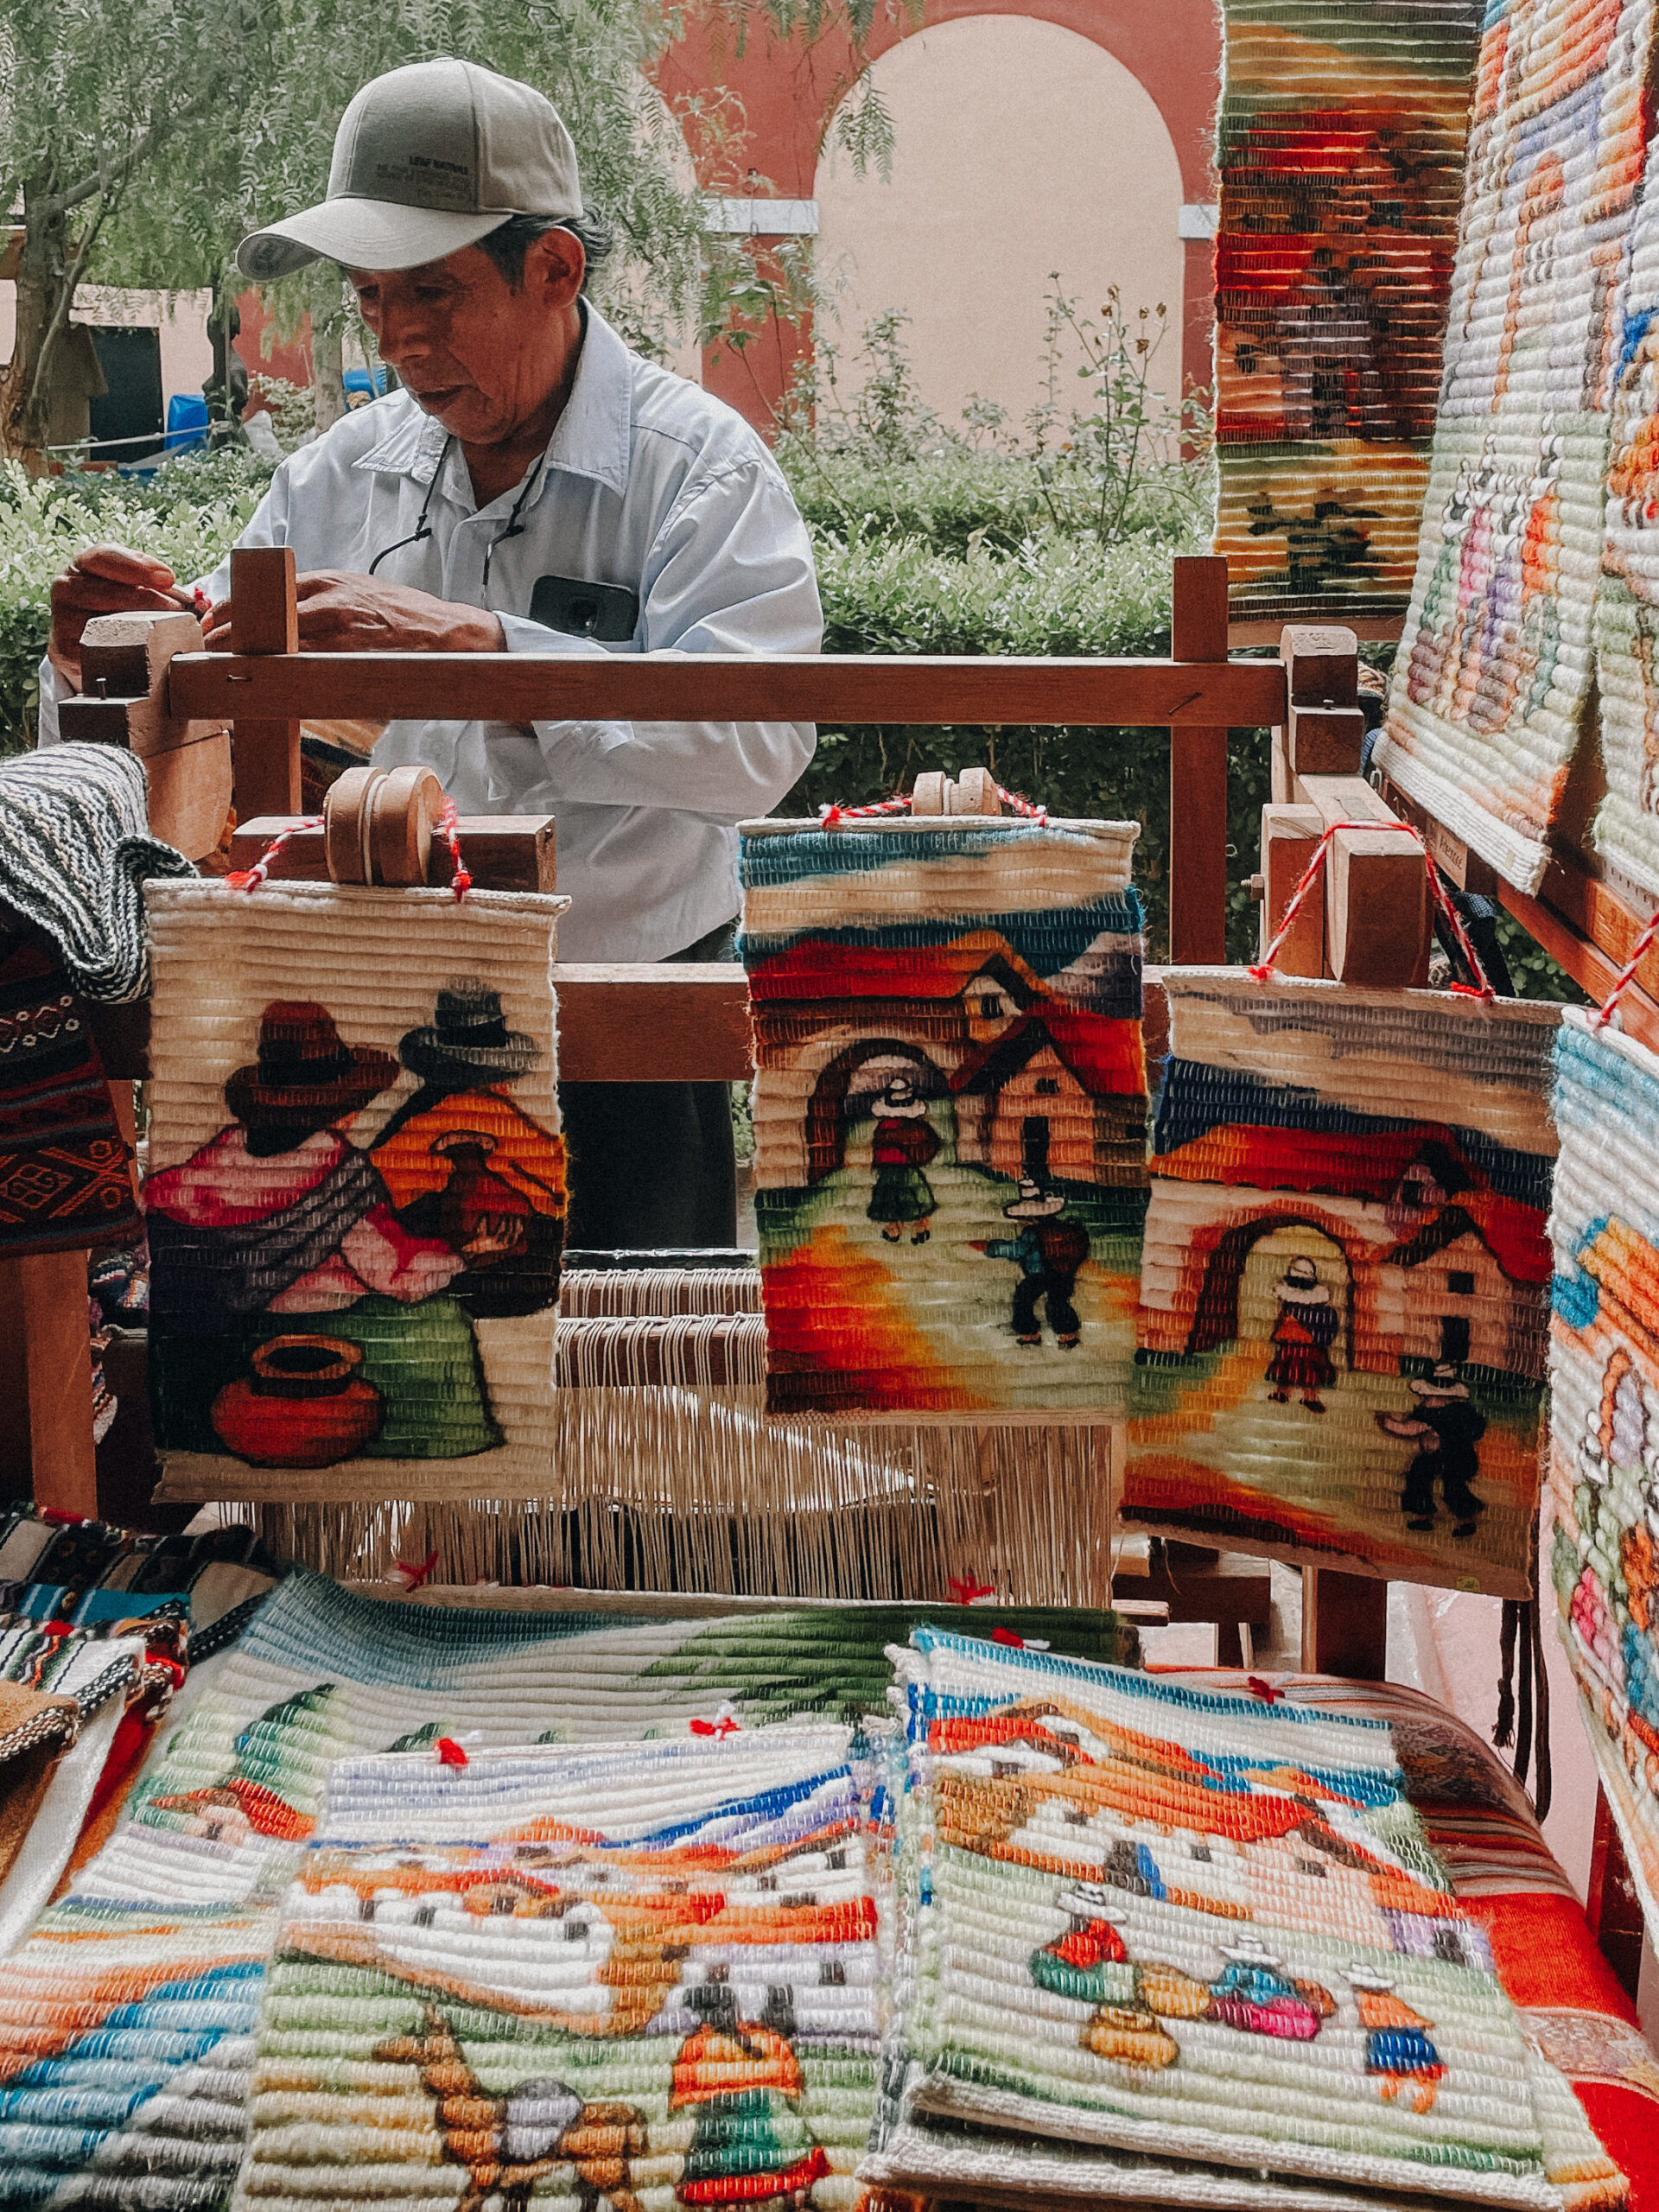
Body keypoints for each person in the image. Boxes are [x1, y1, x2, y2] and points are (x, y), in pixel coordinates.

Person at [41, 57, 823, 1253]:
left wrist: (482, 647)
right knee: (386, 1389)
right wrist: (104, 661)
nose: (400, 337)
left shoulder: (701, 472)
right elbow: (190, 715)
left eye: (436, 293)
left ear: (554, 267)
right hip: (358, 1024)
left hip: (616, 1021)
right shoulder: (335, 474)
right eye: (369, 298)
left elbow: (757, 751)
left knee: (644, 1388)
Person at [976, 1179, 1090, 1348]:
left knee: (1023, 1298)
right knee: (1058, 1302)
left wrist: (989, 1247)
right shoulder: (1060, 1228)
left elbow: (1017, 1250)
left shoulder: (1031, 1233)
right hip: (1064, 1273)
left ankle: (1029, 1333)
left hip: (1039, 1274)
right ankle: (1068, 1334)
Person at [1376, 1362, 1487, 1534]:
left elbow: (1410, 1428)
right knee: (1418, 1474)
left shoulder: (1457, 1413)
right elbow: (1410, 1428)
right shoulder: (1426, 1412)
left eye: (1429, 1396)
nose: (1425, 1400)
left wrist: (1390, 1424)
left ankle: (1466, 1520)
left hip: (1458, 1457)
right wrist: (1390, 1424)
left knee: (1453, 1486)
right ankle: (1423, 1515)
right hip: (1434, 1456)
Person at [865, 1076, 939, 1243]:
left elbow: (928, 1143)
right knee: (893, 1198)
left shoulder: (914, 1127)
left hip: (905, 1167)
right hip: (889, 1168)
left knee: (914, 1197)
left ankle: (921, 1224)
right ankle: (895, 1225)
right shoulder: (886, 1126)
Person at [1265, 1255, 1338, 1410]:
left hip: (1308, 1346)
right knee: (1287, 1370)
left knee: (1309, 1373)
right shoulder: (1289, 1306)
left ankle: (1310, 1397)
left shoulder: (1314, 1310)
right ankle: (1282, 1393)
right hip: (1291, 1343)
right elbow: (1281, 1321)